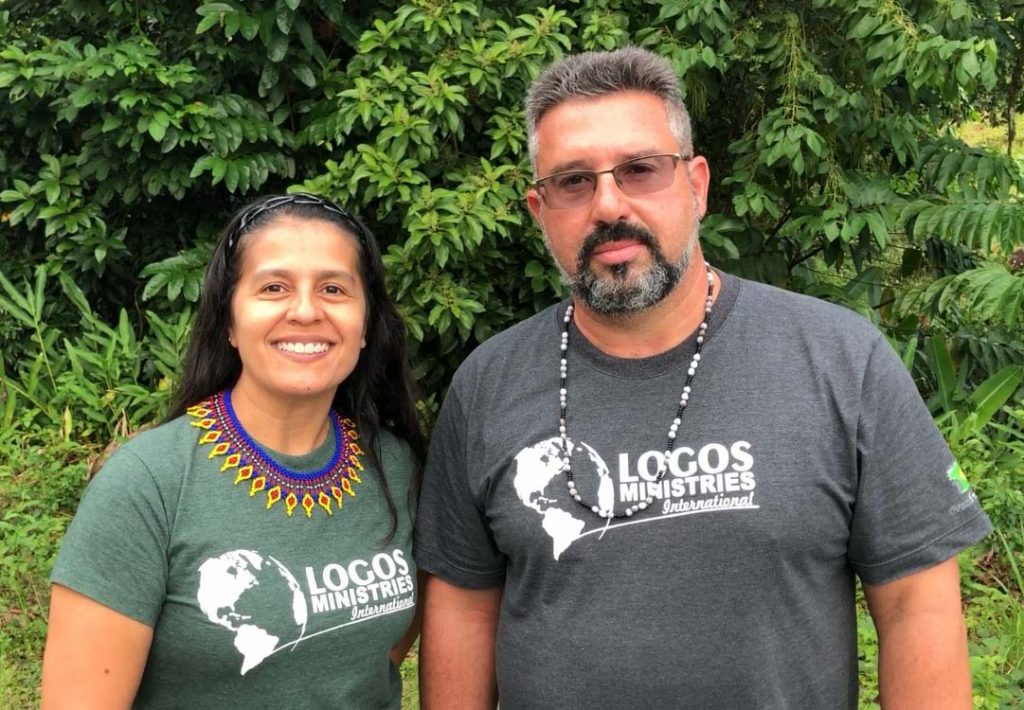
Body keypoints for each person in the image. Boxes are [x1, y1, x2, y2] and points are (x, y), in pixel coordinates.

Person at [414, 47, 992, 709]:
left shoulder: (840, 360)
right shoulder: (487, 386)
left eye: (640, 169)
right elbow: (463, 609)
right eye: (573, 181)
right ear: (539, 208)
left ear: (697, 185)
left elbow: (917, 602)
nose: (608, 205)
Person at [42, 193, 425, 708]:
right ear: (229, 322)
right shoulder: (146, 484)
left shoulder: (398, 468)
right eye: (273, 287)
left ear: (366, 325)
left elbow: (371, 662)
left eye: (333, 289)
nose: (306, 311)